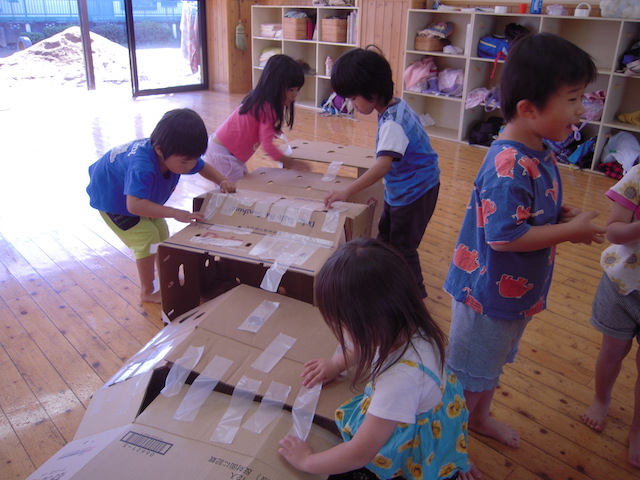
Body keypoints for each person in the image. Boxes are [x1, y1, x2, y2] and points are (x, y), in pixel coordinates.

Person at [442, 33, 607, 449]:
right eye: (573, 99)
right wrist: (570, 232)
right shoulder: (509, 163)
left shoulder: (538, 148)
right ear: (529, 109)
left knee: (489, 368)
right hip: (485, 297)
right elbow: (504, 237)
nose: (582, 110)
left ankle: (479, 420)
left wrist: (558, 215)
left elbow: (525, 210)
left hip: (512, 293)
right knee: (468, 379)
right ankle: (447, 448)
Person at [278, 237, 479, 480]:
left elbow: (358, 454)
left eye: (342, 325)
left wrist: (306, 461)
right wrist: (337, 364)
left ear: (370, 325)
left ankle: (448, 464)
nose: (342, 334)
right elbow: (365, 345)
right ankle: (452, 457)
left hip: (417, 436)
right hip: (440, 410)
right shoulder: (406, 321)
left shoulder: (399, 382)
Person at [323, 46, 440, 299]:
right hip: (406, 188)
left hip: (415, 192)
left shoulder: (392, 123)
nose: (352, 104)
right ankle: (389, 284)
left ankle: (416, 299)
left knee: (403, 249)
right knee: (386, 239)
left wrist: (346, 191)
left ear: (373, 92)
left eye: (354, 98)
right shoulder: (395, 106)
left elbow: (381, 167)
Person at [86, 108, 235, 304]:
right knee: (147, 238)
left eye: (193, 159)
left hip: (136, 195)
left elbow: (202, 166)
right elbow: (134, 205)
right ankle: (147, 291)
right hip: (113, 199)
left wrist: (222, 180)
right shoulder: (142, 167)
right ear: (159, 150)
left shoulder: (176, 155)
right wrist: (174, 212)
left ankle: (166, 276)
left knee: (162, 234)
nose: (191, 167)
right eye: (185, 162)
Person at [581, 163, 640, 467]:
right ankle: (601, 399)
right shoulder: (638, 175)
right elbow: (614, 231)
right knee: (612, 350)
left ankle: (638, 428)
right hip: (621, 285)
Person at [204, 54, 307, 182]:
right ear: (275, 86)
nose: (295, 95)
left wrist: (271, 129)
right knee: (236, 190)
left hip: (225, 152)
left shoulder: (259, 100)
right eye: (291, 90)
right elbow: (267, 146)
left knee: (241, 188)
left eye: (297, 90)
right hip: (224, 155)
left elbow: (254, 125)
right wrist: (289, 162)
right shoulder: (267, 108)